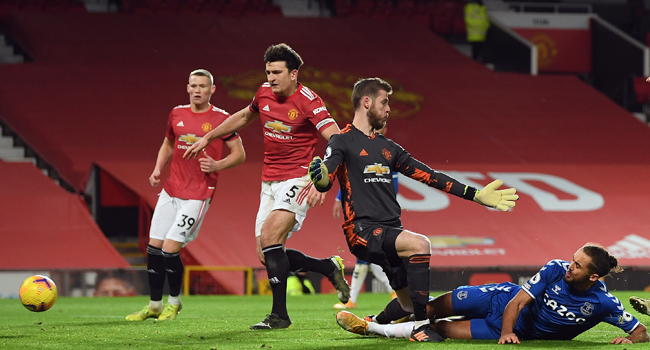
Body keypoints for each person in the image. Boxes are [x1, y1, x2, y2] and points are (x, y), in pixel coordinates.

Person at [308, 77, 518, 342]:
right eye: (384, 102)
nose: (388, 109)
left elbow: (430, 176)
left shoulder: (389, 148)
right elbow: (327, 174)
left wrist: (475, 194)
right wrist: (322, 178)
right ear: (366, 102)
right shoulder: (341, 140)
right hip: (362, 230)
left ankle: (373, 324)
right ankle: (420, 327)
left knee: (409, 304)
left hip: (390, 231)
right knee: (420, 244)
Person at [183, 43, 350, 330]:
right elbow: (244, 116)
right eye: (268, 72)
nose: (271, 78)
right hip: (269, 180)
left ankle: (279, 316)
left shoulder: (309, 101)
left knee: (271, 234)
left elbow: (336, 138)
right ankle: (327, 267)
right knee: (266, 252)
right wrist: (210, 137)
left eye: (276, 72)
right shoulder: (263, 93)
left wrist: (323, 178)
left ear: (294, 73)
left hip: (298, 177)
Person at [336, 242, 650, 345]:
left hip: (508, 328)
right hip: (501, 299)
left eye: (578, 266)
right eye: (573, 260)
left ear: (593, 276)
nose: (570, 267)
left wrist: (629, 338)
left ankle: (372, 330)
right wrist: (508, 332)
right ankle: (375, 319)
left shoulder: (603, 303)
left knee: (439, 330)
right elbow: (519, 300)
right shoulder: (555, 268)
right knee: (432, 309)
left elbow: (640, 330)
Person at [126, 69, 246, 322]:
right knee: (154, 248)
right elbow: (168, 143)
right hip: (171, 190)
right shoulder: (176, 113)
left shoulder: (222, 119)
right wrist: (158, 168)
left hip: (198, 194)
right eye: (194, 85)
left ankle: (174, 302)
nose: (198, 90)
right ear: (188, 88)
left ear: (212, 90)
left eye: (203, 86)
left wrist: (217, 165)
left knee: (170, 249)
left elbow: (239, 154)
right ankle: (154, 305)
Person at [333, 125, 396, 310]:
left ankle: (352, 299)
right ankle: (392, 291)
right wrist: (339, 198)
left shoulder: (388, 151)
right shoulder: (360, 149)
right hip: (362, 209)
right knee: (369, 254)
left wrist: (387, 203)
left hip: (378, 211)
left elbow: (394, 184)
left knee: (369, 253)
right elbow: (351, 176)